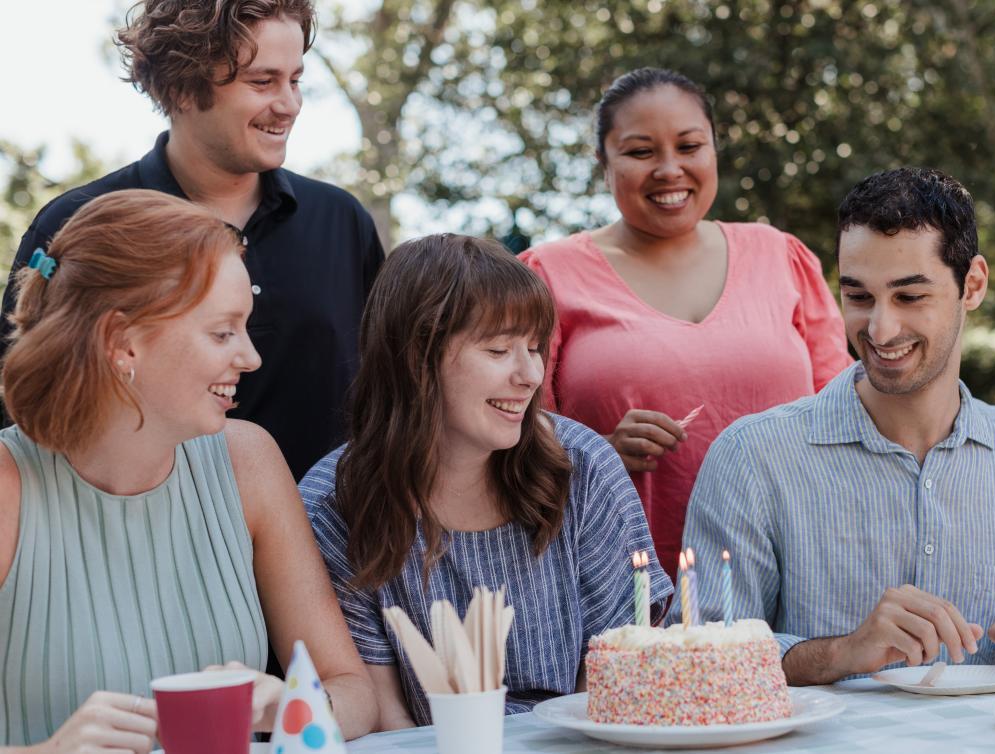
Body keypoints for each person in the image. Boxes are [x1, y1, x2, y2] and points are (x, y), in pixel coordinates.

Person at [676, 167, 995, 684]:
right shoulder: (752, 456)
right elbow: (702, 658)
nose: (879, 329)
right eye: (859, 297)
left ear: (972, 285)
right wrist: (844, 652)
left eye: (909, 296)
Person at [0, 190, 376, 751]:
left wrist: (288, 704)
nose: (250, 358)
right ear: (121, 341)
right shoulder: (10, 485)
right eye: (222, 332)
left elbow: (354, 693)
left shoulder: (249, 463)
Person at [1, 0, 384, 480]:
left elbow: (396, 392)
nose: (288, 103)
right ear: (183, 88)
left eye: (295, 79)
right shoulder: (78, 223)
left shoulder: (342, 220)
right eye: (262, 82)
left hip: (329, 544)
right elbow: (21, 412)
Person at [301, 234, 672, 728]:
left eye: (536, 348)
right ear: (417, 358)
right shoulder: (334, 504)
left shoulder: (582, 467)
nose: (530, 374)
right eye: (498, 350)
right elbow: (379, 712)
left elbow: (621, 669)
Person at [520, 68, 852, 579]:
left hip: (800, 580)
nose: (670, 169)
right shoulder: (546, 276)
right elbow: (510, 442)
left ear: (714, 149)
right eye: (640, 152)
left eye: (689, 146)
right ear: (602, 164)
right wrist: (597, 455)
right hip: (619, 592)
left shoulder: (780, 256)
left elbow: (847, 416)